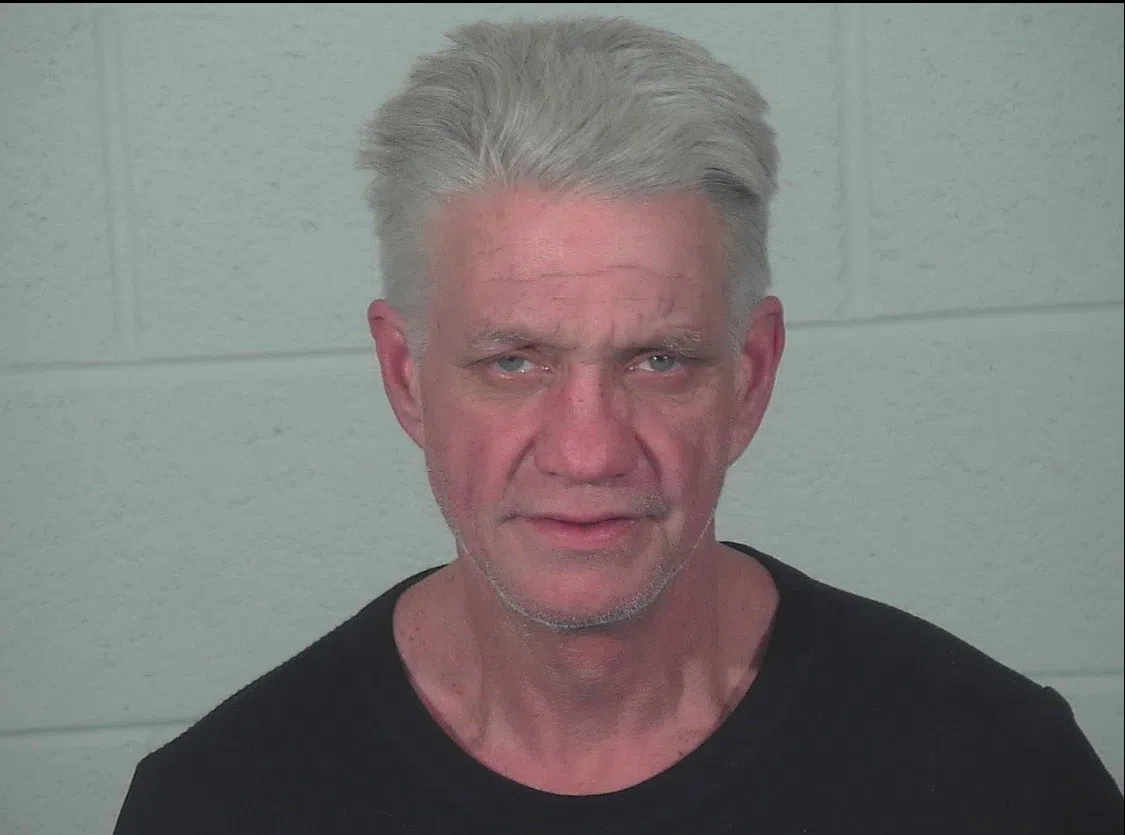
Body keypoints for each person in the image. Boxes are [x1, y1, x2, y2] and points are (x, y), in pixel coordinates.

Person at [112, 16, 1122, 833]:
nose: (588, 450)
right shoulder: (218, 804)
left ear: (751, 376)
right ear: (405, 376)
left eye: (658, 360)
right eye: (514, 362)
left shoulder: (998, 772)